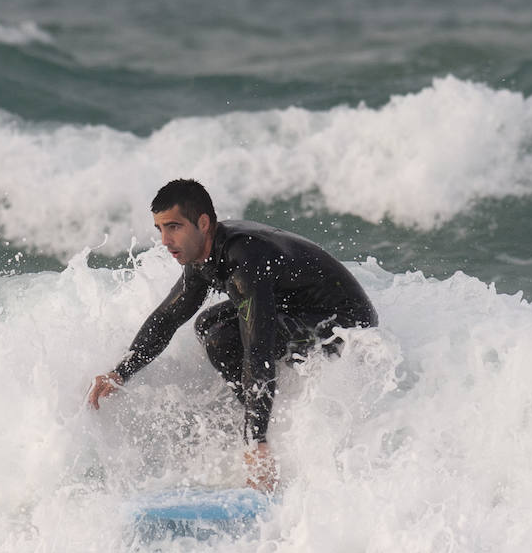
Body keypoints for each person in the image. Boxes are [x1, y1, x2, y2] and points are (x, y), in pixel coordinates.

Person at [86, 179, 377, 492]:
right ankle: (266, 412)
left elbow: (258, 348)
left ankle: (263, 439)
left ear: (203, 223)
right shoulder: (202, 253)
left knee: (222, 339)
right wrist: (120, 372)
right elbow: (168, 317)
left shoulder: (244, 260)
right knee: (206, 325)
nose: (166, 240)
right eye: (160, 229)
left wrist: (256, 441)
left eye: (174, 227)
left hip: (346, 325)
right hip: (298, 308)